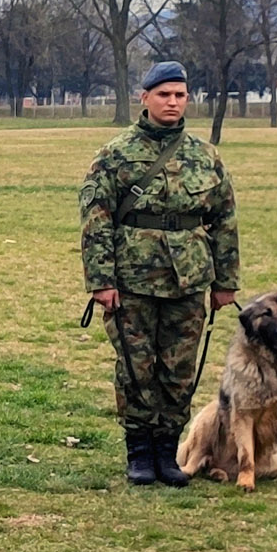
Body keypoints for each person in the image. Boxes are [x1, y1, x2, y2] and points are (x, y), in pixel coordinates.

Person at [78, 62, 239, 487]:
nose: (172, 102)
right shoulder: (115, 155)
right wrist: (101, 281)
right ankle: (139, 452)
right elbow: (96, 219)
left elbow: (224, 219)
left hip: (189, 279)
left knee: (179, 369)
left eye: (180, 95)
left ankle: (168, 452)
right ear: (145, 98)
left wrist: (225, 281)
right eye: (164, 95)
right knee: (136, 368)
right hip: (132, 280)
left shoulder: (205, 157)